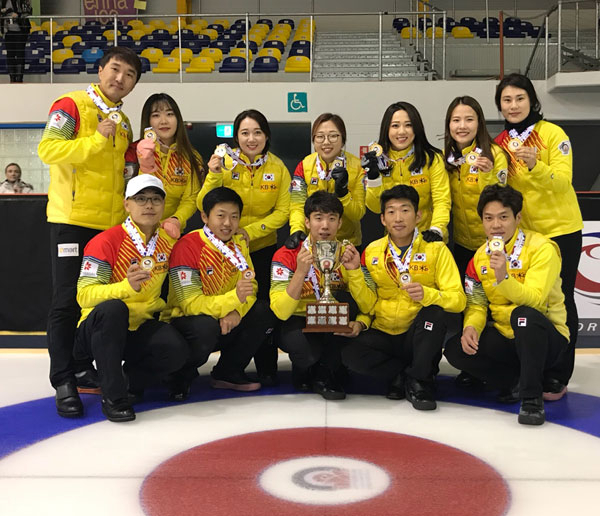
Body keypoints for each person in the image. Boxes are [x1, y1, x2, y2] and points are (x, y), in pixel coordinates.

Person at [38, 46, 142, 418]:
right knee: (66, 302)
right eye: (115, 69)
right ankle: (63, 379)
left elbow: (122, 171)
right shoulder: (71, 105)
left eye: (129, 75)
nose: (120, 78)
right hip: (72, 219)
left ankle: (82, 365)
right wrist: (97, 138)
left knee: (98, 302)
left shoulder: (124, 122)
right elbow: (49, 150)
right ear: (100, 70)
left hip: (109, 227)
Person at [444, 184, 569, 426]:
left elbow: (535, 299)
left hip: (544, 336)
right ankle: (513, 381)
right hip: (506, 336)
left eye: (503, 217)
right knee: (455, 349)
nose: (496, 225)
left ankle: (532, 400)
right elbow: (477, 303)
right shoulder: (478, 257)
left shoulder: (543, 249)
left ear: (517, 218)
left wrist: (503, 277)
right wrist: (472, 327)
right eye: (489, 218)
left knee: (524, 316)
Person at [494, 73, 582, 400]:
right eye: (506, 100)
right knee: (529, 302)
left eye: (519, 98)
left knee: (560, 302)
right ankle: (530, 370)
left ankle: (558, 375)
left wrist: (535, 166)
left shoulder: (552, 134)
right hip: (525, 237)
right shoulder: (500, 143)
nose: (513, 105)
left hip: (561, 231)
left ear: (531, 99)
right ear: (500, 106)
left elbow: (563, 182)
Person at [73, 175, 188, 422]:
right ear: (127, 204)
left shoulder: (167, 244)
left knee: (176, 350)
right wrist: (125, 287)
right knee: (114, 309)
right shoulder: (105, 242)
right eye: (141, 199)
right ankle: (114, 397)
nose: (149, 205)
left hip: (139, 327)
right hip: (99, 329)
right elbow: (84, 296)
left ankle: (129, 380)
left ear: (163, 206)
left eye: (156, 199)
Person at [342, 185, 466, 410]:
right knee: (350, 354)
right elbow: (368, 304)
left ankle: (420, 381)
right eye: (391, 211)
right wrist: (354, 272)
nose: (398, 218)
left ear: (417, 216)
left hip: (417, 334)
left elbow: (458, 301)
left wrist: (428, 294)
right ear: (382, 219)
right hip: (384, 330)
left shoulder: (436, 249)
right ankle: (403, 374)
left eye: (405, 210)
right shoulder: (371, 251)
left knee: (434, 313)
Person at [198, 109, 290, 382]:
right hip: (224, 250)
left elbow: (283, 211)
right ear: (236, 136)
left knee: (264, 307)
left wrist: (250, 231)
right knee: (228, 305)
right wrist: (213, 174)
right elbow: (203, 203)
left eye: (257, 132)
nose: (251, 139)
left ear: (266, 136)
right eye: (245, 133)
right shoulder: (225, 163)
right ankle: (228, 363)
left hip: (262, 248)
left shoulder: (277, 167)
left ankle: (266, 366)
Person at [164, 187, 275, 400]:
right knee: (204, 326)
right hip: (188, 323)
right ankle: (179, 373)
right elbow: (190, 304)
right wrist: (233, 301)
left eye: (234, 217)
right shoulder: (187, 246)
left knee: (262, 310)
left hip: (226, 320)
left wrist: (237, 311)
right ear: (205, 217)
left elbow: (251, 290)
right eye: (221, 216)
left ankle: (228, 372)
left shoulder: (239, 244)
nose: (228, 223)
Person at [270, 191, 376, 400]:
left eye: (331, 218)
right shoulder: (287, 254)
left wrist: (354, 271)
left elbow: (370, 304)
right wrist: (300, 272)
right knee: (307, 353)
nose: (325, 226)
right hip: (299, 320)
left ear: (340, 222)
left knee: (347, 302)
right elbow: (281, 312)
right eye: (318, 218)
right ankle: (306, 367)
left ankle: (324, 375)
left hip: (332, 319)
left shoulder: (348, 253)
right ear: (307, 222)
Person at [362, 101, 451, 242]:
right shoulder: (378, 160)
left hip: (428, 239)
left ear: (416, 128)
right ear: (387, 129)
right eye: (395, 125)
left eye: (408, 125)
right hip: (394, 241)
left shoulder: (432, 159)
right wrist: (373, 178)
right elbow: (375, 207)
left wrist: (436, 229)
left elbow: (442, 200)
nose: (402, 131)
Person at [444, 96, 508, 281]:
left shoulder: (495, 155)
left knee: (495, 297)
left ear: (479, 123)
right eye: (456, 120)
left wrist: (486, 174)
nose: (462, 126)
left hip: (493, 243)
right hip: (461, 244)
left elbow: (499, 201)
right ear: (448, 124)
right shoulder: (446, 158)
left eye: (469, 120)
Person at [127, 93, 205, 239]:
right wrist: (144, 166)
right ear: (148, 121)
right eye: (156, 115)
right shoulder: (132, 151)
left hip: (172, 233)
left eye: (169, 114)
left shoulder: (192, 157)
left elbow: (191, 198)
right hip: (136, 234)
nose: (164, 121)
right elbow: (130, 193)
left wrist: (176, 220)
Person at [287, 113, 365, 249]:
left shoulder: (358, 167)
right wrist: (297, 229)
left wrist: (343, 194)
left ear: (343, 139)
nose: (326, 142)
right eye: (320, 136)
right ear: (313, 140)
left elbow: (358, 213)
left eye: (333, 136)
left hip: (347, 245)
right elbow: (297, 205)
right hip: (313, 243)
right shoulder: (304, 166)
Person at [0, 0, 31, 83]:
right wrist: (3, 11)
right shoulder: (3, 1)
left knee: (20, 55)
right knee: (10, 55)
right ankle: (12, 78)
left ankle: (19, 78)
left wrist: (18, 14)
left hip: (21, 31)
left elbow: (28, 11)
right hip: (8, 31)